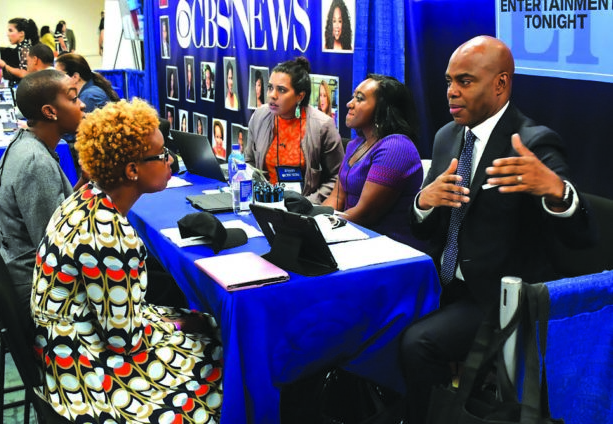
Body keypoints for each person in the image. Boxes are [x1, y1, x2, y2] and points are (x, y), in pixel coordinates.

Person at [398, 36, 595, 424]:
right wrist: (425, 202)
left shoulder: (532, 142)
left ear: (500, 84)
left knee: (417, 345)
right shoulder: (446, 137)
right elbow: (424, 229)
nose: (452, 92)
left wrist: (556, 191)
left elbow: (582, 236)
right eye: (448, 81)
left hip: (496, 298)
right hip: (442, 283)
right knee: (375, 318)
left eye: (465, 81)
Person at [31, 98, 224, 422]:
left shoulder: (85, 197)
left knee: (205, 327)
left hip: (65, 344)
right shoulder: (110, 236)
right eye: (163, 156)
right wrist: (177, 323)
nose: (171, 161)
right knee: (220, 359)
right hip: (84, 369)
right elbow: (124, 340)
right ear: (132, 170)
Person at [0, 69, 86, 313]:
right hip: (42, 291)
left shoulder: (24, 141)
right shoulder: (35, 162)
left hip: (33, 276)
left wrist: (83, 184)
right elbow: (56, 248)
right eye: (73, 98)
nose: (82, 104)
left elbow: (56, 211)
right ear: (50, 112)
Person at [321, 74, 424, 248]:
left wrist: (319, 228)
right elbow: (336, 199)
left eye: (359, 99)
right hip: (351, 236)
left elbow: (365, 215)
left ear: (382, 109)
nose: (349, 103)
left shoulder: (396, 147)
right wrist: (311, 218)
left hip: (388, 249)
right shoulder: (355, 145)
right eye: (353, 96)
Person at [245, 56, 344, 204]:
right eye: (270, 87)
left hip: (305, 208)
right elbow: (249, 163)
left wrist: (308, 203)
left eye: (281, 90)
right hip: (264, 203)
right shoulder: (259, 117)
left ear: (300, 96)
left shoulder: (322, 125)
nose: (272, 95)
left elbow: (337, 178)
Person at [55, 53, 120, 113]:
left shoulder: (89, 96)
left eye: (58, 75)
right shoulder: (90, 90)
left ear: (75, 77)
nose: (55, 79)